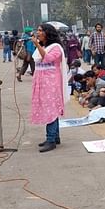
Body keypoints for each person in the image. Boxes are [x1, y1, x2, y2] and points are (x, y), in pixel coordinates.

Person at [30, 23, 68, 153]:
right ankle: (55, 137)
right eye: (38, 30)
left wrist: (36, 44)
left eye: (40, 30)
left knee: (51, 110)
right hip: (42, 82)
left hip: (51, 84)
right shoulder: (45, 46)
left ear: (47, 33)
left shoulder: (56, 47)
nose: (38, 32)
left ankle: (50, 139)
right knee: (51, 109)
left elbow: (47, 58)